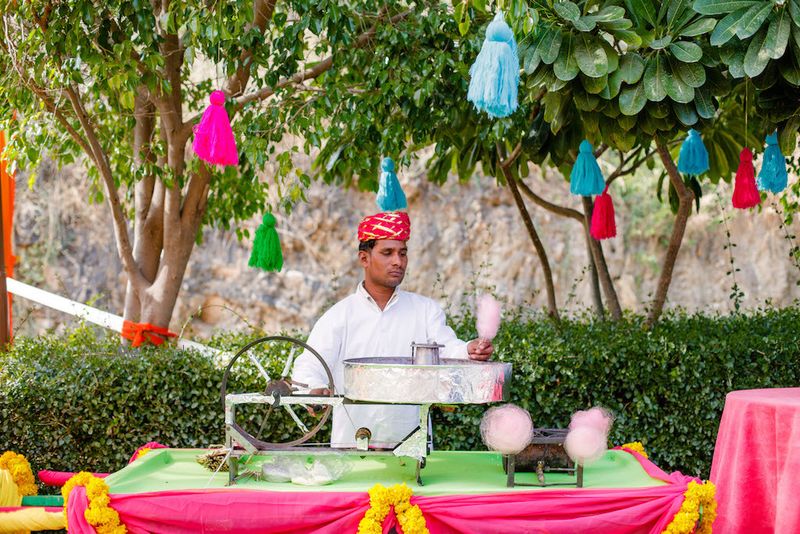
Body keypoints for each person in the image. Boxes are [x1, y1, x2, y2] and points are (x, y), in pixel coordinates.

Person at [291, 210, 494, 448]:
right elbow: (310, 365)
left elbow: (448, 348)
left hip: (411, 446)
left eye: (403, 253)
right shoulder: (339, 316)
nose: (398, 261)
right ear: (364, 258)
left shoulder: (426, 310)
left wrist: (469, 350)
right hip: (352, 445)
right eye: (387, 253)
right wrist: (315, 391)